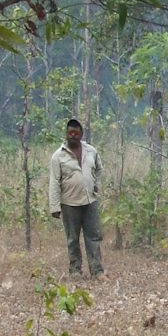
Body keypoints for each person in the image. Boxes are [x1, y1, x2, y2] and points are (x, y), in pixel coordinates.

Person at [47, 117, 103, 277]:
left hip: (90, 200)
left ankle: (97, 271)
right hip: (69, 204)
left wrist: (94, 184)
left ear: (81, 134)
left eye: (76, 133)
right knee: (73, 239)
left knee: (94, 236)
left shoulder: (91, 151)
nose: (73, 135)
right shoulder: (58, 156)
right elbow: (54, 181)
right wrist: (55, 206)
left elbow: (99, 169)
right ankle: (75, 271)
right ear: (66, 134)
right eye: (70, 133)